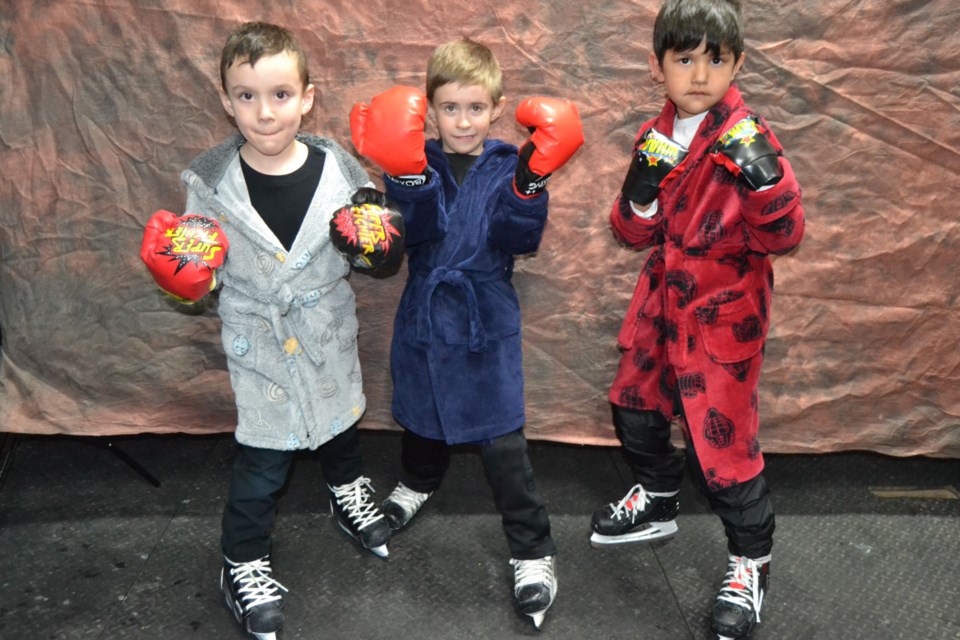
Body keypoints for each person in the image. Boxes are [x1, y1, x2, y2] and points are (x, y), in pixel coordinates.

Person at [141, 22, 397, 640]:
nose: (264, 112)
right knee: (262, 461)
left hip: (324, 330)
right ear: (226, 100)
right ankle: (242, 560)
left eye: (280, 94)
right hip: (259, 340)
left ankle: (347, 490)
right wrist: (189, 277)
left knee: (340, 428)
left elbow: (373, 252)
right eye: (247, 95)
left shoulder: (341, 165)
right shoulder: (208, 179)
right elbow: (200, 261)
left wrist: (377, 247)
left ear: (307, 97)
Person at [349, 37, 583, 628]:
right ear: (430, 109)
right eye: (450, 108)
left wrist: (530, 183)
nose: (463, 121)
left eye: (475, 108)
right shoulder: (412, 157)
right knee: (423, 414)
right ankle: (417, 482)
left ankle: (533, 551)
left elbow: (518, 239)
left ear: (497, 107)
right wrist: (404, 179)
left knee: (502, 440)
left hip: (485, 313)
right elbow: (415, 239)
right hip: (427, 310)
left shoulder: (511, 163)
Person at [590, 1, 804, 638]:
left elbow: (785, 234)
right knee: (633, 405)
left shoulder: (746, 134)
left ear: (737, 63)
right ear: (659, 66)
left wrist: (765, 181)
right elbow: (631, 232)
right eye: (685, 59)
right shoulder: (654, 138)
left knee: (723, 448)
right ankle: (657, 498)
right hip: (661, 301)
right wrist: (638, 189)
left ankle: (751, 562)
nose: (701, 74)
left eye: (716, 59)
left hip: (722, 309)